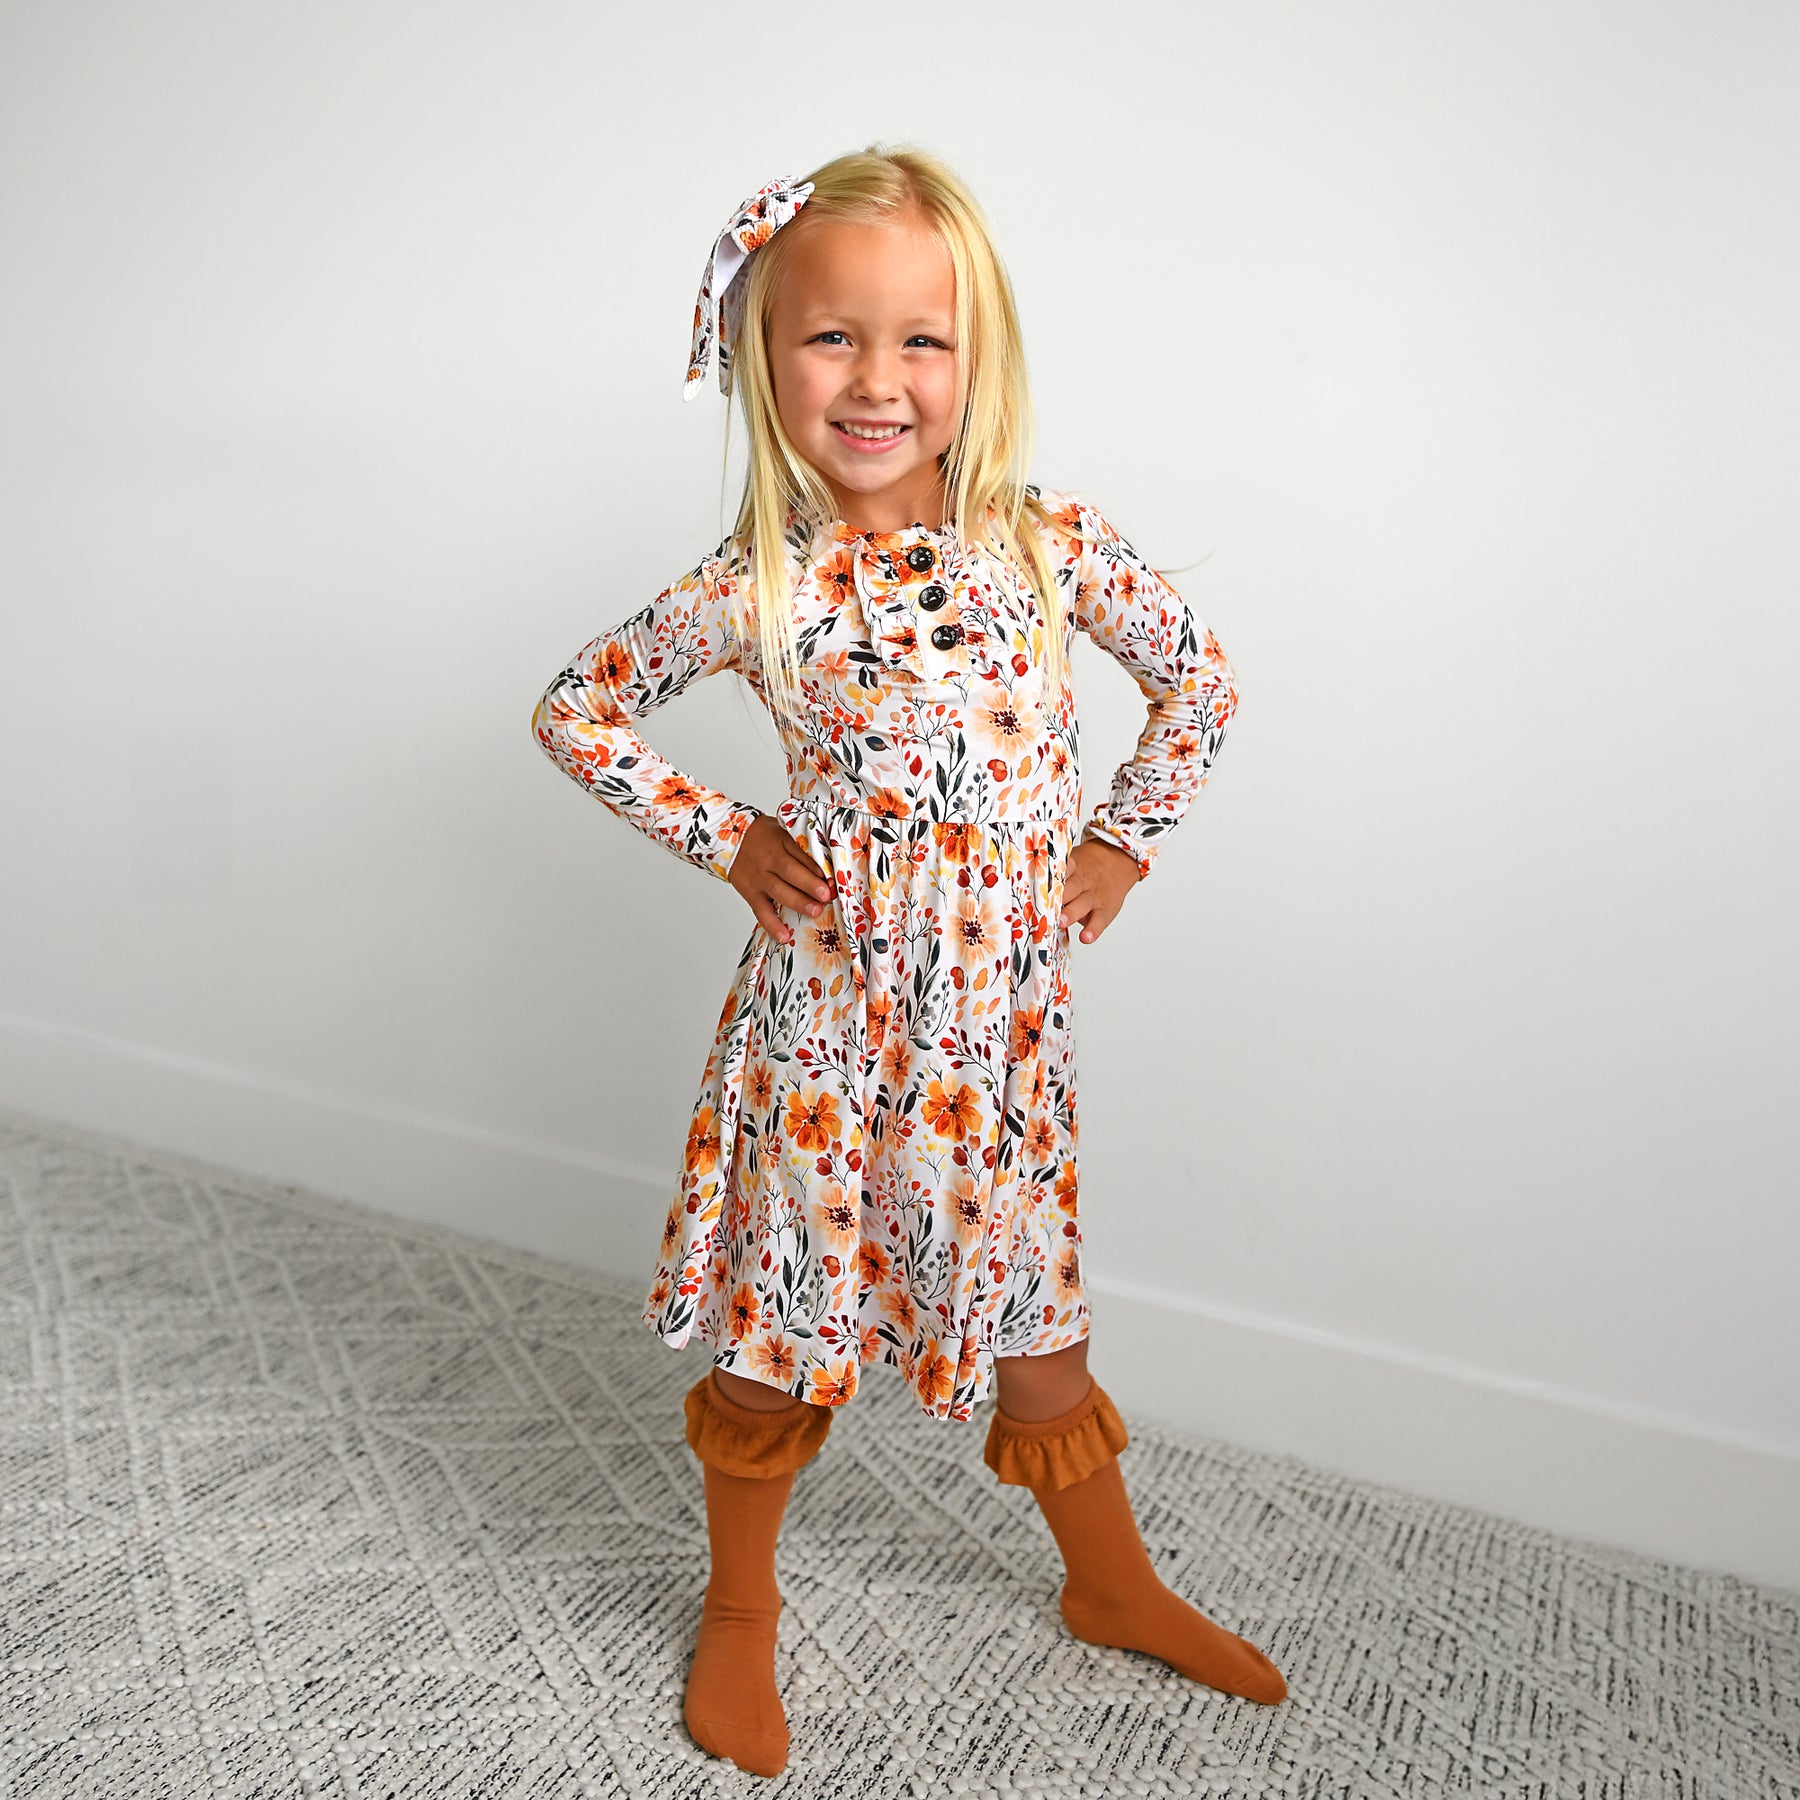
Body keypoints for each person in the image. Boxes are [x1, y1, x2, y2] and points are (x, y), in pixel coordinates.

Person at [531, 145, 1283, 1780]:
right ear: (764, 357)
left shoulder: (1045, 542)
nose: (877, 380)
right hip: (826, 1047)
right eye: (832, 338)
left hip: (995, 1054)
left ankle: (1113, 1583)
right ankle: (740, 1608)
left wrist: (1121, 840)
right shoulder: (761, 584)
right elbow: (577, 710)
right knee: (780, 1348)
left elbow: (1201, 683)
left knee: (1040, 1340)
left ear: (975, 356)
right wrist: (728, 837)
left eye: (920, 340)